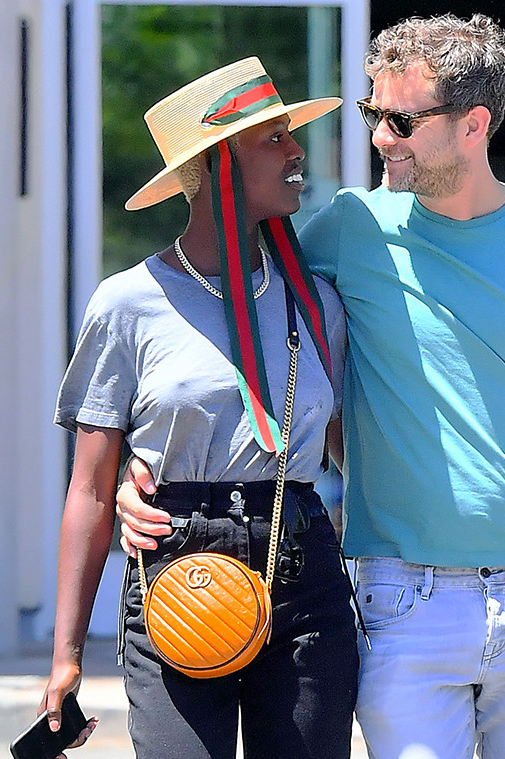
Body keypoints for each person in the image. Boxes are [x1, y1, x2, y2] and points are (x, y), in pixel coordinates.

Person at [117, 14, 505, 759]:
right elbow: (233, 325)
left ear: (473, 125)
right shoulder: (346, 229)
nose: (378, 137)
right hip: (402, 597)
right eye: (374, 114)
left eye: (400, 119)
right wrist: (151, 467)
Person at [39, 57, 357, 759]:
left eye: (288, 135)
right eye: (271, 138)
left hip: (303, 572)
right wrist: (66, 653)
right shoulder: (128, 303)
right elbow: (91, 488)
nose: (296, 151)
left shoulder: (319, 301)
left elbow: (352, 456)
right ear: (217, 164)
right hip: (176, 577)